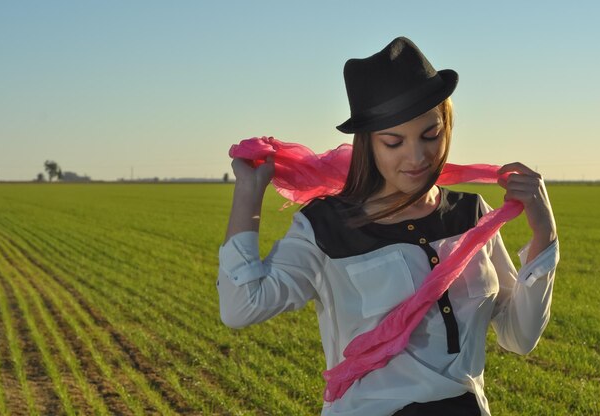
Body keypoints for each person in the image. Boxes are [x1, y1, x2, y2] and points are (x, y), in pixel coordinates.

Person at [217, 37, 559, 416]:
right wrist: (248, 193)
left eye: (431, 134)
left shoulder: (471, 214)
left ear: (447, 125)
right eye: (394, 142)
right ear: (368, 145)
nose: (417, 157)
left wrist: (544, 234)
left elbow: (520, 336)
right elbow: (241, 306)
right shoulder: (326, 226)